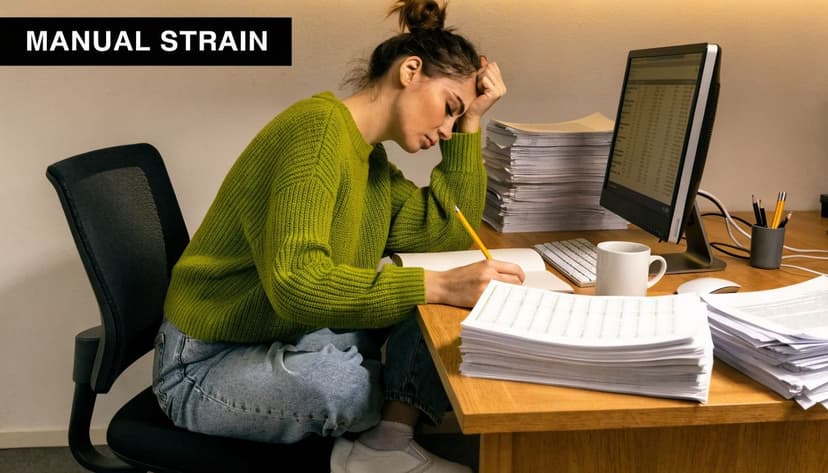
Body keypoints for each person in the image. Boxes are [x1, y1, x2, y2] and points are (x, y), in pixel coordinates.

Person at [151, 1, 524, 471]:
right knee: (346, 386)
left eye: (456, 121)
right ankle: (383, 435)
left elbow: (448, 230)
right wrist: (439, 285)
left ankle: (382, 444)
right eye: (449, 109)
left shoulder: (368, 160)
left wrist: (472, 121)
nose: (446, 131)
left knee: (428, 311)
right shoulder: (317, 132)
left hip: (274, 333)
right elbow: (297, 285)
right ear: (410, 70)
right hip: (202, 364)